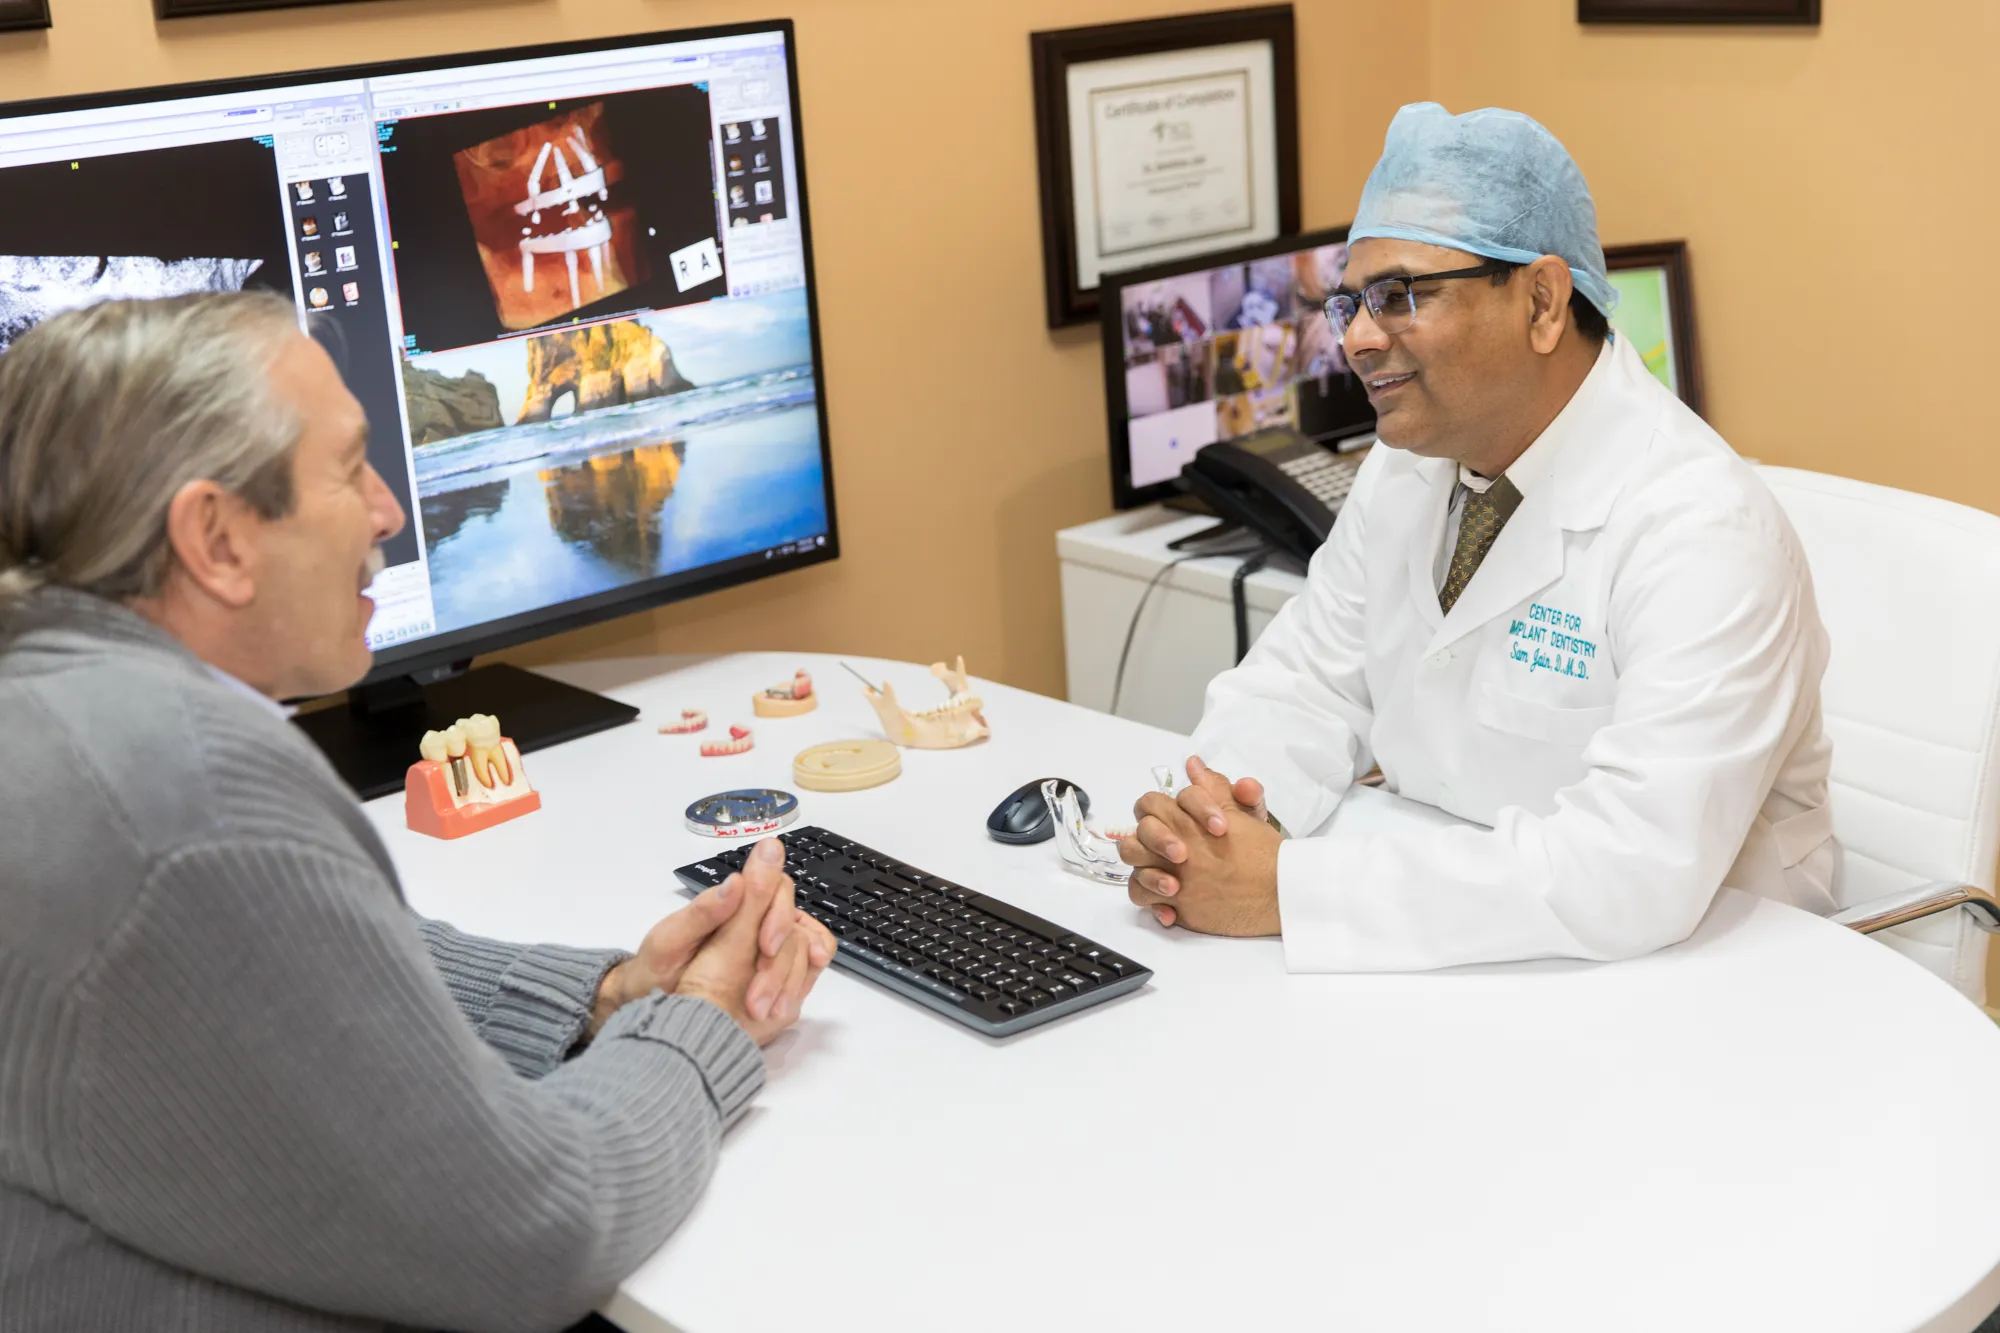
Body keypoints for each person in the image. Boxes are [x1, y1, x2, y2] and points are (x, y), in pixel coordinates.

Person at [0, 292, 835, 1332]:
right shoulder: (185, 796)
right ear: (215, 538)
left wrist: (606, 996)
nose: (390, 511)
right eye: (351, 467)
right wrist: (700, 1026)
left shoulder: (55, 711)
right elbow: (537, 1233)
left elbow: (294, 960)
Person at [1120, 102, 1836, 971]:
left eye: (1400, 297)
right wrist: (1218, 826)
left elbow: (1631, 866)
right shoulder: (1409, 465)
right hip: (1465, 941)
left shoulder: (1702, 528)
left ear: (1541, 301)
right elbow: (1305, 683)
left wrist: (1286, 891)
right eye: (1349, 302)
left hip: (1697, 975)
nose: (1357, 338)